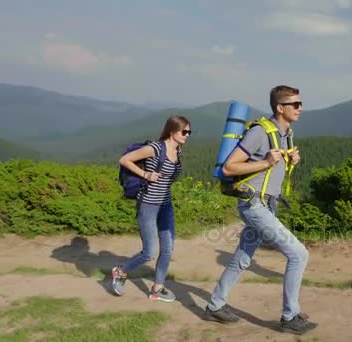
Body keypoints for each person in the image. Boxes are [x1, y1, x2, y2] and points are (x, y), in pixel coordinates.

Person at [203, 85, 317, 334]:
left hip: (267, 205)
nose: (300, 108)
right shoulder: (259, 132)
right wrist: (266, 161)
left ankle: (214, 306)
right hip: (254, 205)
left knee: (243, 258)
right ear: (280, 108)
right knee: (299, 254)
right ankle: (290, 317)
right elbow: (229, 168)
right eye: (295, 104)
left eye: (300, 103)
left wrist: (289, 162)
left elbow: (270, 172)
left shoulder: (286, 134)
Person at [111, 115, 191, 302]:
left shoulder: (177, 150)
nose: (188, 135)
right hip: (148, 204)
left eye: (189, 131)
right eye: (184, 131)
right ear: (172, 131)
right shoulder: (155, 148)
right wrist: (145, 173)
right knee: (149, 252)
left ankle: (157, 288)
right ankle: (121, 271)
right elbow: (125, 160)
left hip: (165, 204)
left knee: (168, 248)